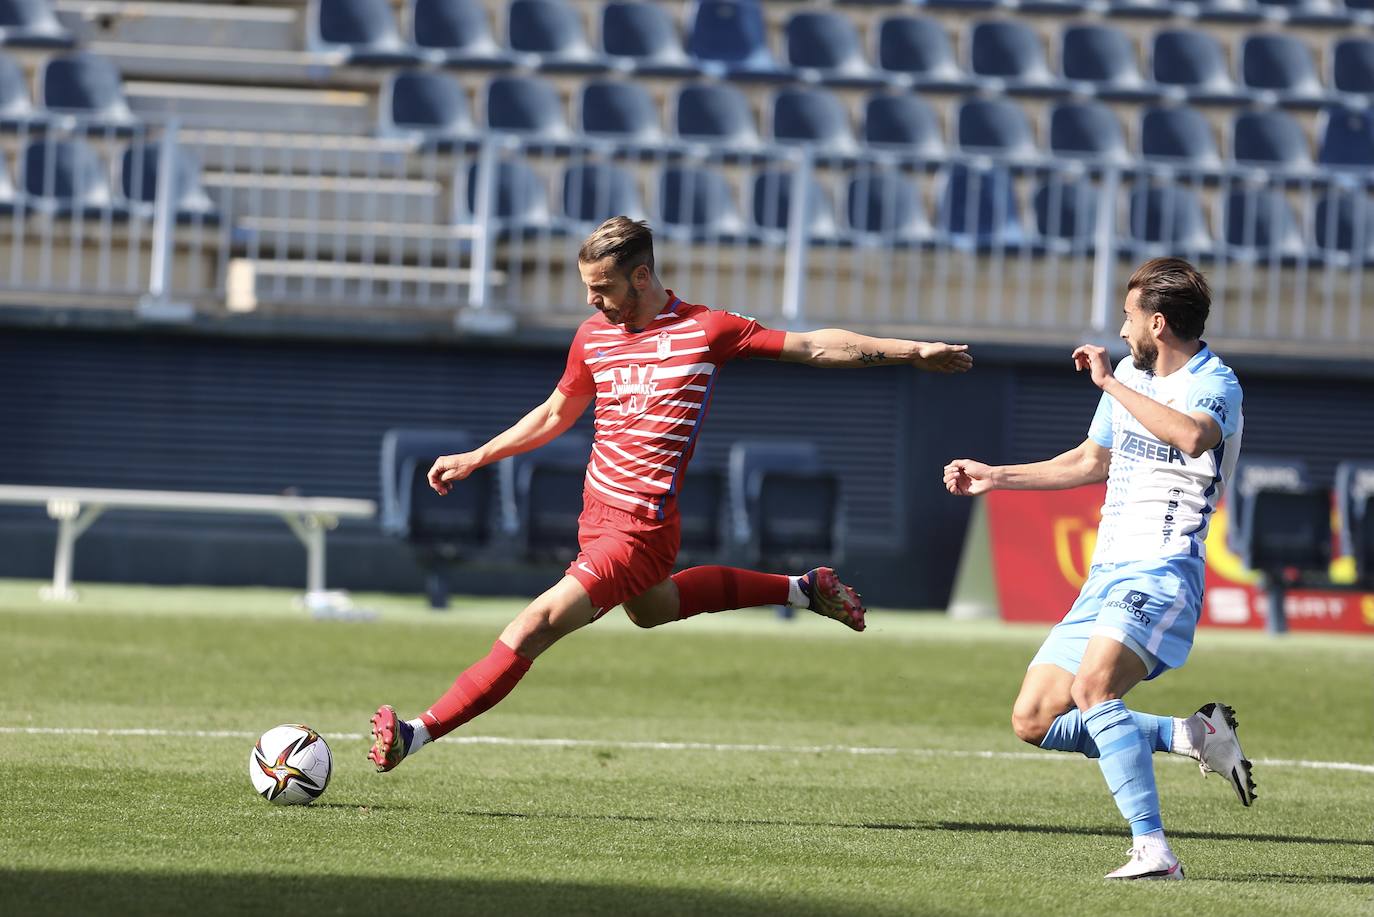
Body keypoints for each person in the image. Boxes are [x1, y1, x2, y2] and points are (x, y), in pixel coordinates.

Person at [370, 216, 974, 774]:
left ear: (642, 276)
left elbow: (813, 345)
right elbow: (557, 411)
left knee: (535, 624)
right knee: (651, 609)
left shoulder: (705, 330)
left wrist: (910, 351)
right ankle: (800, 588)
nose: (591, 300)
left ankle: (414, 734)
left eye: (602, 287)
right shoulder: (593, 337)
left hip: (638, 529)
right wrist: (479, 455)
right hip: (596, 515)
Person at [943, 257, 1254, 881]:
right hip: (1106, 576)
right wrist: (996, 476)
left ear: (1158, 323)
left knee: (1093, 691)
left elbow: (1193, 438)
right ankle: (1190, 735)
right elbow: (1091, 460)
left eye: (1129, 317)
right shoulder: (1135, 379)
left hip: (1162, 571)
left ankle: (1153, 850)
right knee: (1034, 718)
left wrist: (1112, 384)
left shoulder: (1213, 381)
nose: (1122, 330)